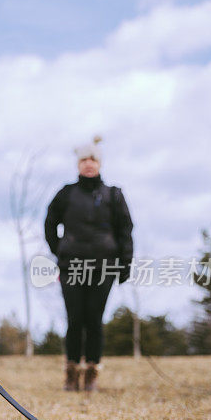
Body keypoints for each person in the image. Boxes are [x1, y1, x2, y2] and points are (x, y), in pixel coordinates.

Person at [44, 137, 133, 391]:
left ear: (100, 163)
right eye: (84, 159)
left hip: (104, 266)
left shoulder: (113, 195)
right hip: (71, 265)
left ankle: (91, 373)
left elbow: (126, 230)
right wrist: (59, 249)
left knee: (94, 320)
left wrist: (125, 264)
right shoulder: (66, 193)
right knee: (74, 319)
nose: (88, 164)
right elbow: (49, 223)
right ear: (78, 164)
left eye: (93, 159)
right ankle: (71, 372)